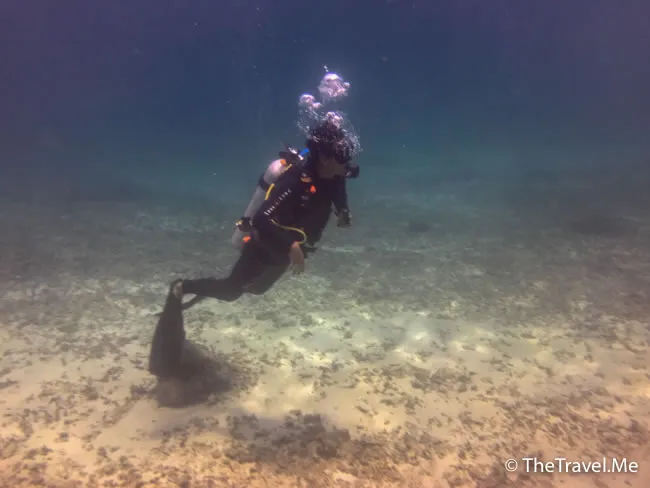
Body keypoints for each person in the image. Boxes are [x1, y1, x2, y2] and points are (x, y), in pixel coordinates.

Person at [149, 119, 358, 379]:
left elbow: (339, 194)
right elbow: (261, 219)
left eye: (348, 153)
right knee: (231, 292)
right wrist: (292, 245)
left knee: (258, 289)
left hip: (286, 251)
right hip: (264, 245)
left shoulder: (334, 178)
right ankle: (182, 287)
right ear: (325, 158)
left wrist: (344, 212)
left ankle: (212, 288)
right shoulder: (295, 181)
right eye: (342, 155)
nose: (347, 162)